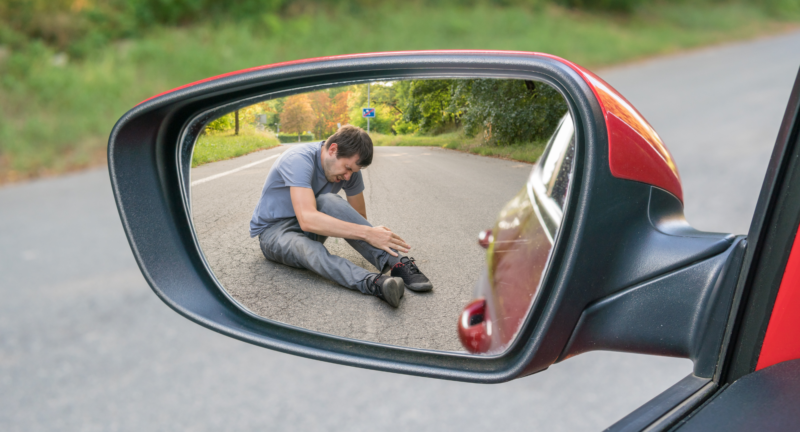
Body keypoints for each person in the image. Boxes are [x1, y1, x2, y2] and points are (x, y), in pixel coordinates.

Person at [249, 125, 433, 307]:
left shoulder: (350, 172)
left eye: (352, 171)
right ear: (333, 149)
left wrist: (370, 234)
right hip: (274, 233)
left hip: (311, 226)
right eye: (346, 168)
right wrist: (368, 233)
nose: (347, 176)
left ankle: (397, 263)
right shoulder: (298, 159)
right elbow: (306, 219)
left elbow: (357, 216)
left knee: (329, 200)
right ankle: (374, 283)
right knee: (308, 249)